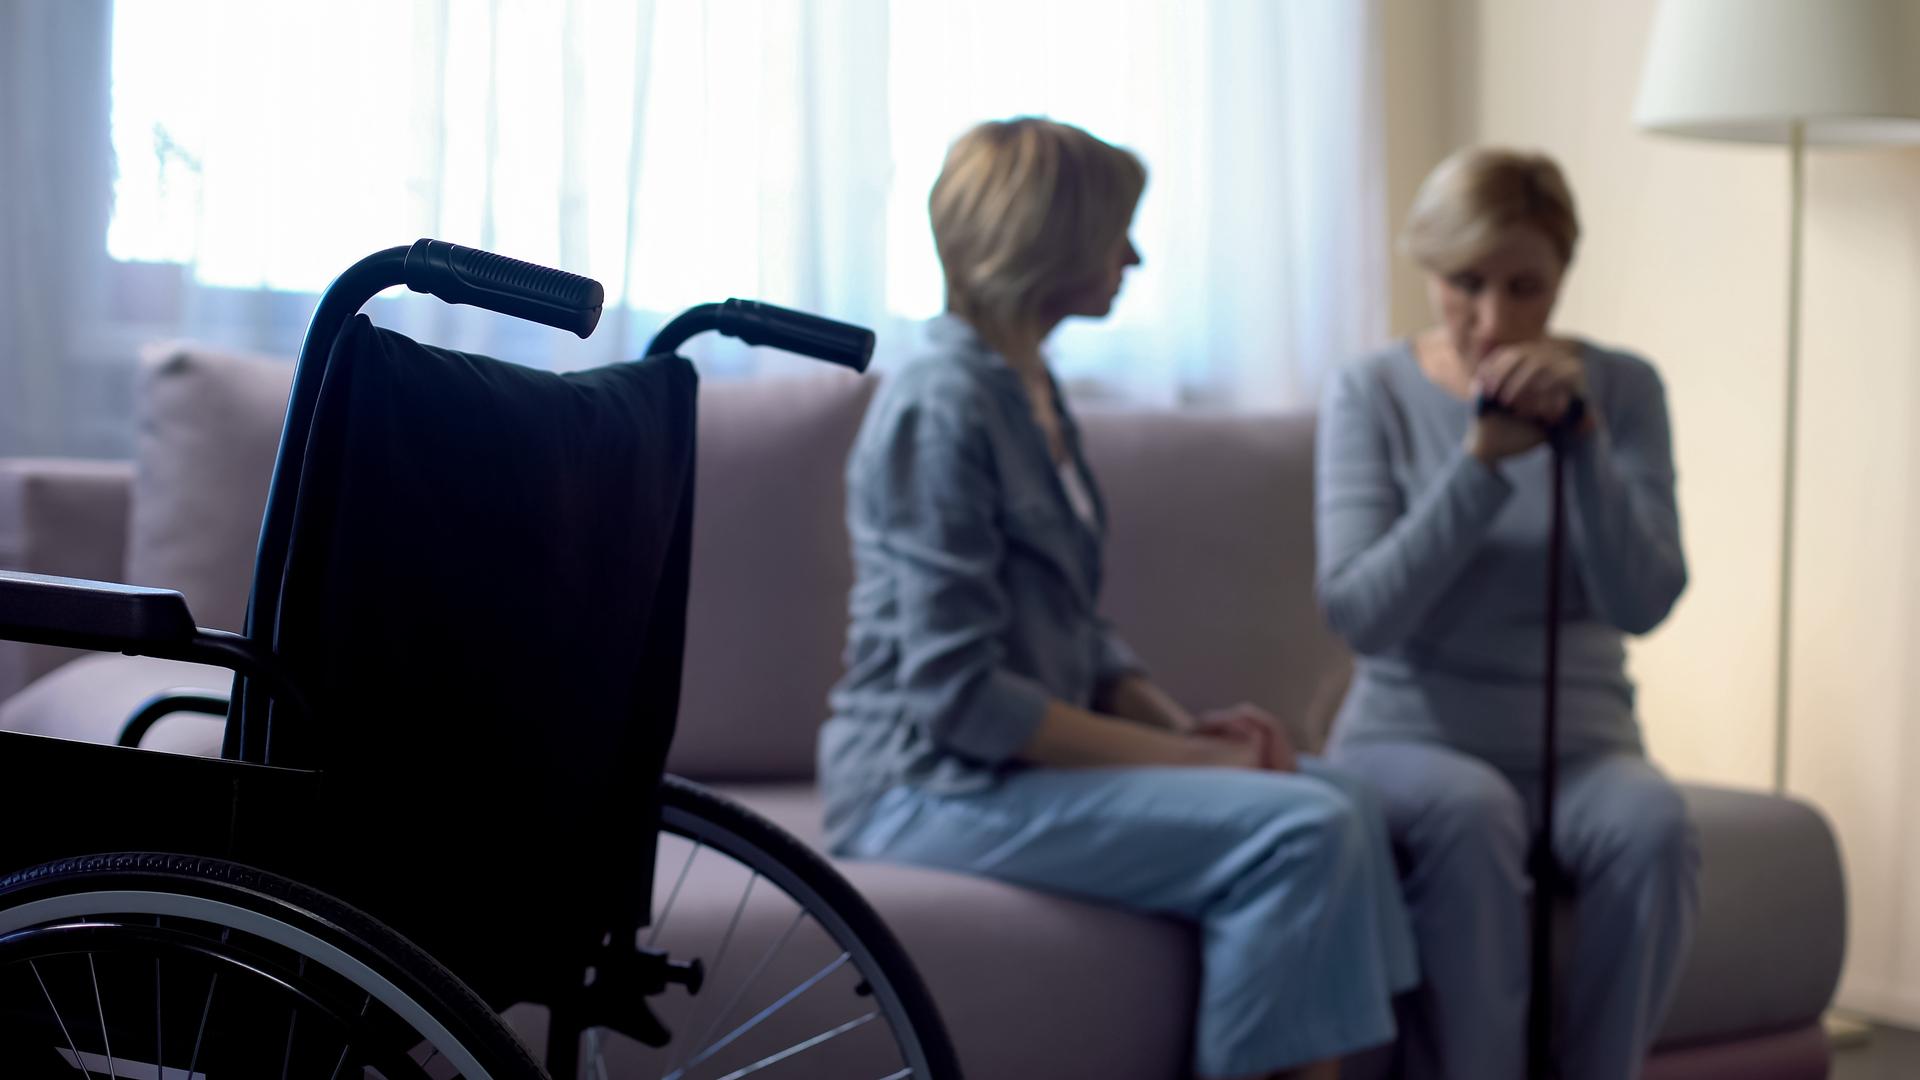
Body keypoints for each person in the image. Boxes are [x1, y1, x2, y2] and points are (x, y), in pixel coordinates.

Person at [817, 116, 1416, 1080]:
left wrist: (1196, 735)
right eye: (1115, 233)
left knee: (1335, 793)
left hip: (1005, 771)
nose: (1134, 257)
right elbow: (961, 700)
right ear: (1045, 243)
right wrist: (1187, 760)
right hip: (922, 785)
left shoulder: (1030, 387)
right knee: (1301, 830)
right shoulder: (942, 404)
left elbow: (1080, 634)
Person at [1317, 145, 1700, 1080]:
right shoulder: (1372, 392)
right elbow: (1361, 611)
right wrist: (1481, 463)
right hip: (1411, 742)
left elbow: (1645, 600)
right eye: (1466, 285)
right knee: (1471, 810)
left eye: (1526, 286)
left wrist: (1585, 451)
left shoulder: (1626, 388)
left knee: (1655, 825)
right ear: (1428, 270)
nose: (1496, 318)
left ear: (1563, 273)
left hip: (1586, 750)